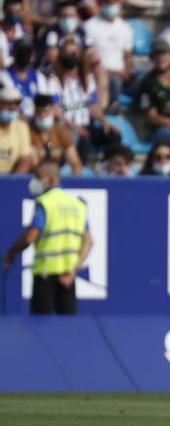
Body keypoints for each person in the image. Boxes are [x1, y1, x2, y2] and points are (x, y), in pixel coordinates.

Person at [3, 160, 92, 314]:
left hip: (45, 275)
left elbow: (30, 238)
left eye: (38, 177)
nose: (34, 182)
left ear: (50, 180)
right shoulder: (77, 205)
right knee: (67, 329)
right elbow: (88, 242)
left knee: (41, 330)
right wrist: (74, 270)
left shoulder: (45, 203)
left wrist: (11, 252)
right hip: (67, 276)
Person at [82, 0, 133, 100]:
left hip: (121, 72)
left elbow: (128, 54)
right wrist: (111, 72)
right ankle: (109, 108)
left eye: (114, 4)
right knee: (114, 80)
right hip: (100, 72)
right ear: (101, 4)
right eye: (108, 4)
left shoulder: (125, 27)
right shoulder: (89, 26)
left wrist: (129, 70)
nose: (111, 7)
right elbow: (87, 59)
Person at [29, 94, 84, 176]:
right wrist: (51, 153)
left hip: (57, 175)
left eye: (46, 111)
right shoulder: (27, 130)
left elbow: (75, 162)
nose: (42, 116)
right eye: (39, 112)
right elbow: (31, 158)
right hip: (34, 176)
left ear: (53, 111)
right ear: (34, 112)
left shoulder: (61, 131)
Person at [0, 85, 34, 174]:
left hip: (8, 179)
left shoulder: (21, 127)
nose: (12, 107)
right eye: (7, 103)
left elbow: (25, 159)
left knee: (33, 155)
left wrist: (12, 182)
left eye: (16, 103)